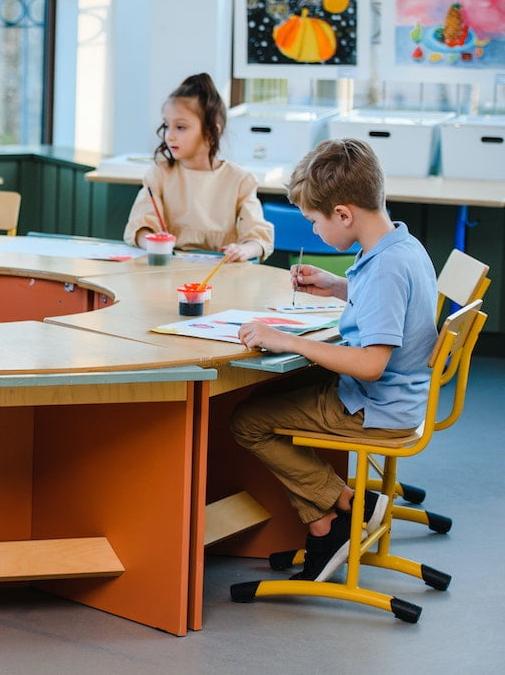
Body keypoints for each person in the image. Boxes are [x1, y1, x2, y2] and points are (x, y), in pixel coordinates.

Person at [230, 138, 438, 582]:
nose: (314, 232)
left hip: (375, 406)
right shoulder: (400, 246)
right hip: (396, 399)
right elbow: (391, 307)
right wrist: (338, 285)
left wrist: (290, 341)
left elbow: (370, 364)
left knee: (248, 421)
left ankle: (347, 503)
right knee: (273, 394)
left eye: (314, 221)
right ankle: (325, 526)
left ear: (343, 214)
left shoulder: (384, 269)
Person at [123, 72, 273, 262]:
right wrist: (153, 242)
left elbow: (258, 238)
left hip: (221, 274)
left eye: (180, 127)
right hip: (169, 271)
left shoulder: (240, 180)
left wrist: (244, 250)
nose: (169, 135)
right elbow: (139, 228)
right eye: (167, 125)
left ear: (211, 132)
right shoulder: (160, 174)